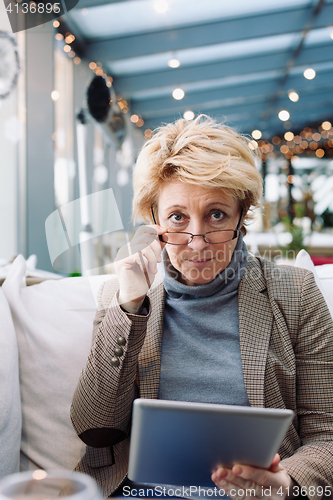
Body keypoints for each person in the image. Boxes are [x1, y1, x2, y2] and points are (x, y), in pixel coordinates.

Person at [70, 115, 333, 500]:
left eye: (216, 215)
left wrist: (286, 483)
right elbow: (94, 430)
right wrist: (129, 307)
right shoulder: (124, 297)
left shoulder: (295, 293)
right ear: (155, 221)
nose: (197, 243)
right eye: (178, 217)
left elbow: (327, 434)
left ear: (242, 218)